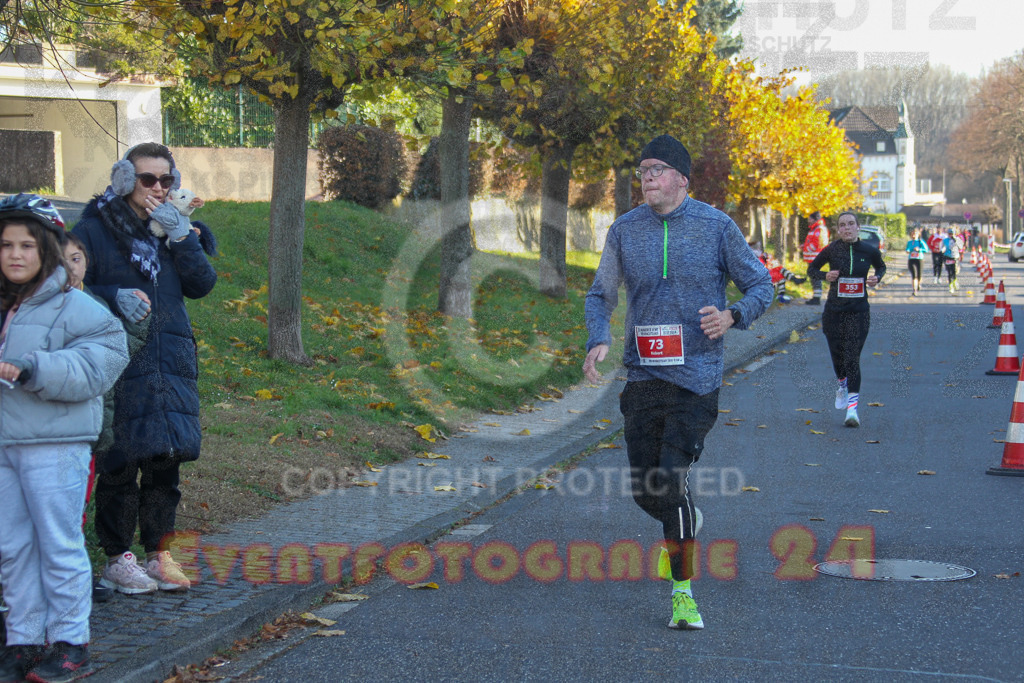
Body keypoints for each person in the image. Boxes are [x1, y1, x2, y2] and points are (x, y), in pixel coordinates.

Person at [583, 134, 772, 630]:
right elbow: (599, 295)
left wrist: (733, 316)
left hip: (697, 378)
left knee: (669, 479)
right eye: (642, 169)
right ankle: (684, 521)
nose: (646, 177)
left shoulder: (715, 226)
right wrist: (597, 339)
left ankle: (683, 593)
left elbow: (761, 285)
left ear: (681, 179)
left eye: (657, 169)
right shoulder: (625, 231)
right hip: (643, 375)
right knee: (648, 492)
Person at [71, 142, 217, 595]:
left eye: (165, 180)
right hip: (118, 353)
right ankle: (117, 558)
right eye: (146, 179)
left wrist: (180, 238)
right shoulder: (94, 230)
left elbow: (201, 284)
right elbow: (71, 283)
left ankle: (159, 552)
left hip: (170, 357)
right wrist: (113, 297)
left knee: (166, 458)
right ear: (123, 180)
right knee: (120, 458)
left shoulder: (175, 229)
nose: (157, 188)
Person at [0, 194, 129, 683]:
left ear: (48, 250)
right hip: (4, 445)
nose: (15, 254)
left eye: (27, 246)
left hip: (53, 445)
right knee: (13, 548)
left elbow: (101, 363)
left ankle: (71, 642)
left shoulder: (78, 308)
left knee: (58, 545)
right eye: (6, 245)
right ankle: (23, 640)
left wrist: (34, 369)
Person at [64, 233, 152, 604]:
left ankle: (76, 575)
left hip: (90, 426)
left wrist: (137, 323)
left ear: (86, 262)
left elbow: (116, 356)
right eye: (58, 260)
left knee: (75, 509)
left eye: (75, 259)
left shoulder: (97, 305)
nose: (68, 269)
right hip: (50, 427)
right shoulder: (37, 308)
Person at [807, 211, 886, 427]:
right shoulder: (832, 250)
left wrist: (877, 278)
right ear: (838, 229)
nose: (847, 228)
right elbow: (811, 269)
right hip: (834, 312)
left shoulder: (869, 250)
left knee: (852, 358)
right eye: (842, 225)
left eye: (851, 224)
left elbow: (881, 266)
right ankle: (842, 383)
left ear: (858, 227)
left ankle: (852, 411)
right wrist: (825, 276)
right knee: (838, 357)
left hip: (858, 312)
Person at [802, 211, 829, 304]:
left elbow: (816, 243)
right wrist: (804, 246)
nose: (808, 220)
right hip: (812, 257)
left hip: (814, 258)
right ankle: (816, 297)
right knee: (814, 276)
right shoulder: (815, 228)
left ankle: (816, 298)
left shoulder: (818, 229)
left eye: (810, 218)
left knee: (815, 276)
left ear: (814, 219)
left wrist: (807, 249)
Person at [905, 228, 928, 296]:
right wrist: (908, 250)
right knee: (914, 275)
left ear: (918, 235)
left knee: (919, 275)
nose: (913, 235)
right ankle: (914, 289)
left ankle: (918, 284)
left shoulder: (921, 242)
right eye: (912, 234)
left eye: (915, 234)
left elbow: (926, 250)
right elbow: (907, 249)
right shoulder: (909, 242)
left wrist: (919, 249)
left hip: (919, 259)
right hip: (911, 259)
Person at [942, 227, 963, 293]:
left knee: (954, 271)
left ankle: (955, 281)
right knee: (949, 272)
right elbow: (942, 247)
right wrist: (942, 250)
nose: (951, 235)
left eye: (952, 233)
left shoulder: (958, 239)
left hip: (955, 257)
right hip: (947, 257)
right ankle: (950, 286)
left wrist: (956, 241)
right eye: (950, 234)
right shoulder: (945, 240)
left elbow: (961, 247)